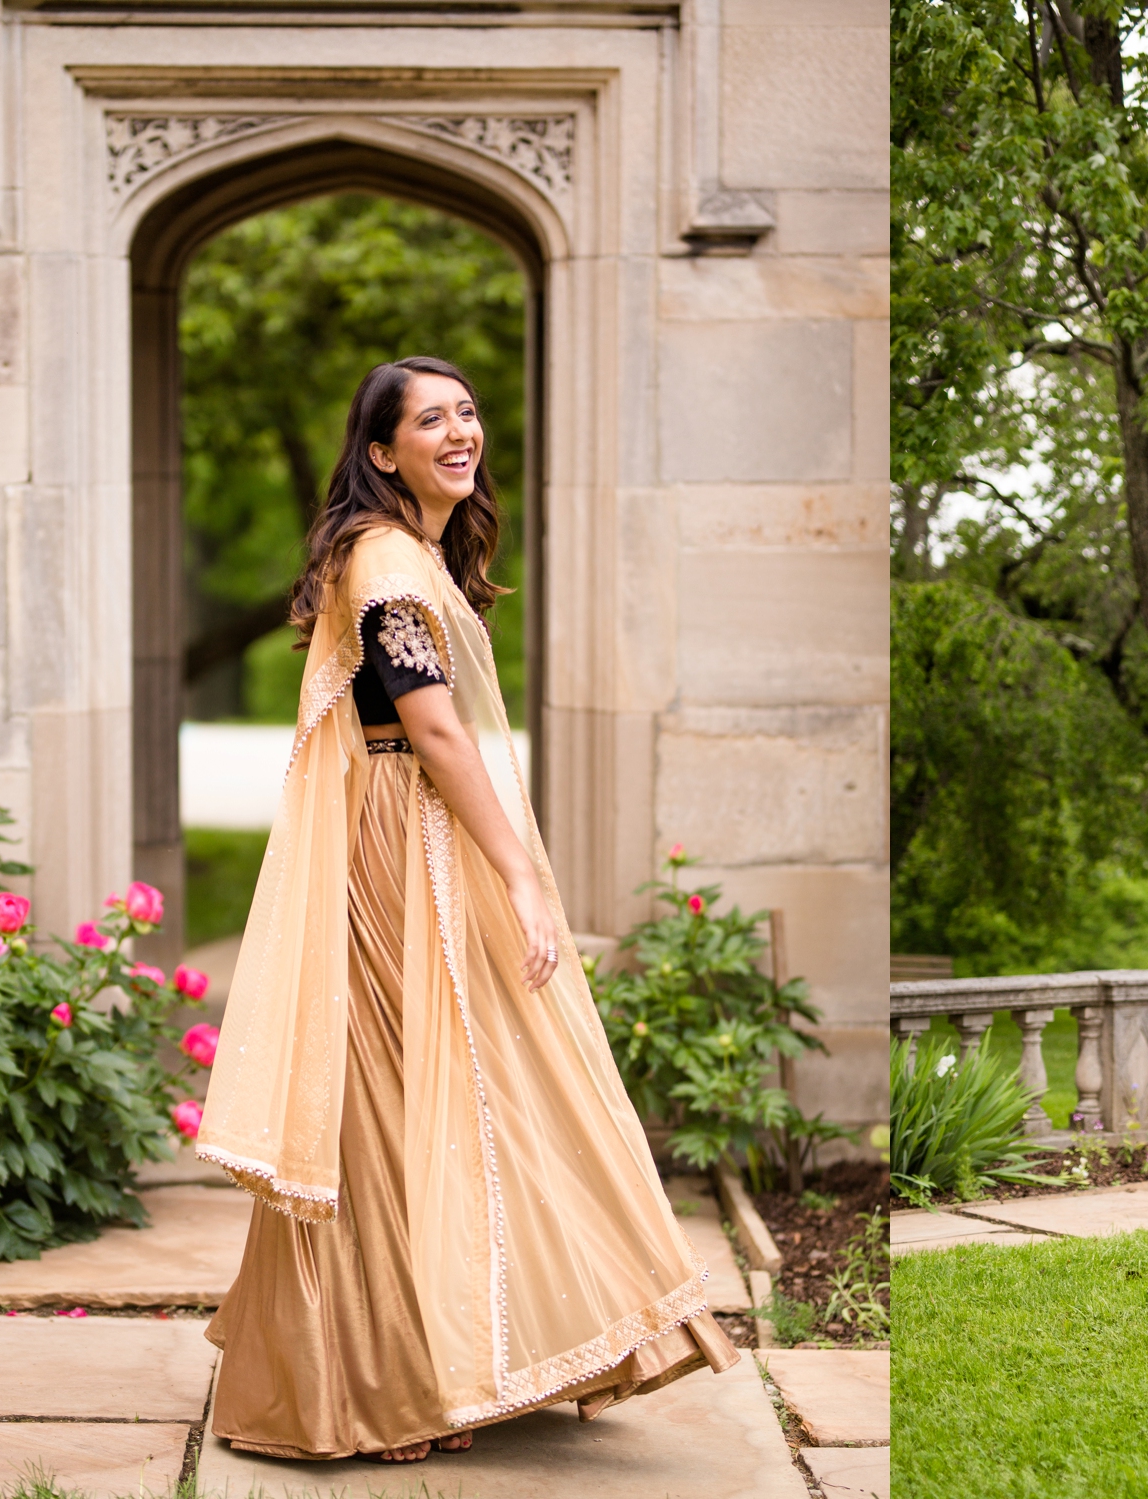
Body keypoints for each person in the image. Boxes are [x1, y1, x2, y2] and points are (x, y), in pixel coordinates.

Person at [196, 357, 737, 1462]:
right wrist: (523, 875)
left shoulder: (410, 552)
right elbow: (432, 728)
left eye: (468, 411)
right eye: (429, 419)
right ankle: (385, 1382)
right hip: (404, 841)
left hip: (420, 829)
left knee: (453, 1088)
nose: (460, 431)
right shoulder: (388, 557)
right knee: (401, 1095)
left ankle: (447, 1353)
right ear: (381, 451)